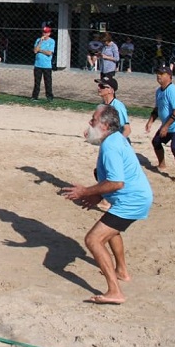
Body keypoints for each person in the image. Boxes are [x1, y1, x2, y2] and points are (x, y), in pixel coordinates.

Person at [60, 104, 153, 305]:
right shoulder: (115, 138)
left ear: (104, 125)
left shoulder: (111, 145)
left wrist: (85, 191)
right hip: (134, 198)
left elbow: (116, 182)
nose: (89, 122)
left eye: (93, 119)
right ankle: (122, 271)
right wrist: (95, 197)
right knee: (111, 230)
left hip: (132, 201)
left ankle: (114, 291)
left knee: (93, 240)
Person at [145, 66, 175, 183]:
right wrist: (150, 121)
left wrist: (166, 126)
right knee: (156, 142)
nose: (159, 76)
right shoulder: (159, 91)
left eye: (162, 74)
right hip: (167, 123)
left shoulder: (173, 90)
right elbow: (157, 108)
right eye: (158, 73)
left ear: (169, 77)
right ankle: (162, 164)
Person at [31, 26, 55, 101]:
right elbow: (35, 51)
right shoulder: (38, 40)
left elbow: (49, 53)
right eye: (43, 32)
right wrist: (40, 42)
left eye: (46, 32)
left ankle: (49, 97)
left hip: (47, 65)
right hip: (38, 64)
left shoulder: (51, 41)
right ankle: (35, 96)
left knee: (48, 82)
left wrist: (40, 50)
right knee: (37, 82)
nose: (44, 33)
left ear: (49, 33)